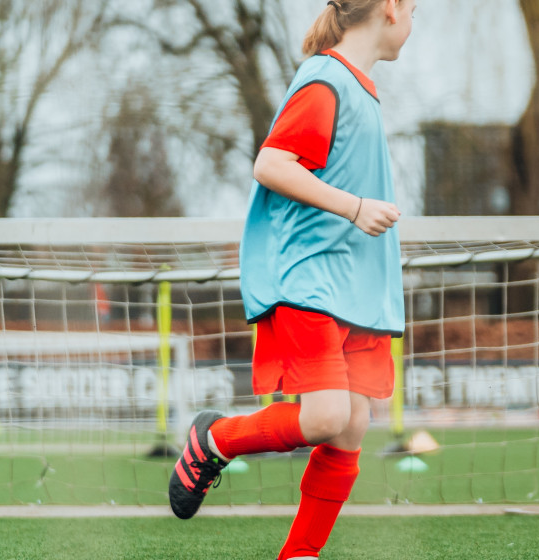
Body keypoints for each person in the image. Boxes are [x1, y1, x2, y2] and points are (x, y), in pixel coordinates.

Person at [167, 1, 413, 557]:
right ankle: (215, 439)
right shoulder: (325, 77)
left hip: (356, 289)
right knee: (326, 416)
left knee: (351, 426)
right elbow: (272, 164)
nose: (414, 22)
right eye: (415, 8)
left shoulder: (361, 86)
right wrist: (354, 208)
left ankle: (298, 555)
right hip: (312, 280)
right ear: (391, 9)